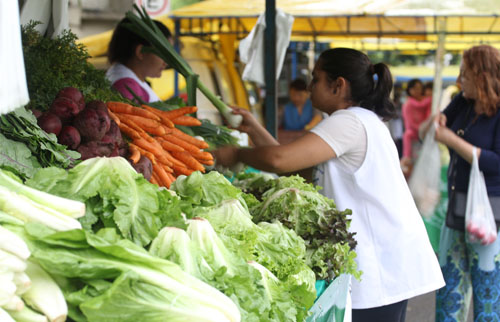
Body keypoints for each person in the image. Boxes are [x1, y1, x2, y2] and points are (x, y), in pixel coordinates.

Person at [214, 48, 444, 322]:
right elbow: (295, 167)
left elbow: (279, 160)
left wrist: (237, 154)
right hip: (384, 260)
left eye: (316, 78)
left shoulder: (349, 122)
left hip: (380, 265)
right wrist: (254, 130)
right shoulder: (359, 122)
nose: (310, 87)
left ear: (338, 85)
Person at [425, 45, 500, 321]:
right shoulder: (462, 103)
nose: (460, 80)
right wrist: (435, 123)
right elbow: (431, 132)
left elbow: (496, 162)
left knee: (488, 302)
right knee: (448, 298)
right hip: (456, 213)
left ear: (482, 76)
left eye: (465, 74)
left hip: (490, 218)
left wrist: (452, 140)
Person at [106, 17, 172, 103]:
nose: (166, 62)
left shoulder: (129, 80)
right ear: (141, 51)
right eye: (163, 53)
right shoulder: (126, 86)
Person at [401, 78, 432, 177]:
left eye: (419, 88)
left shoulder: (428, 102)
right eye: (415, 88)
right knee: (411, 167)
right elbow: (410, 124)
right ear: (409, 90)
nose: (418, 91)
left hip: (424, 138)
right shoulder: (408, 105)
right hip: (413, 139)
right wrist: (423, 130)